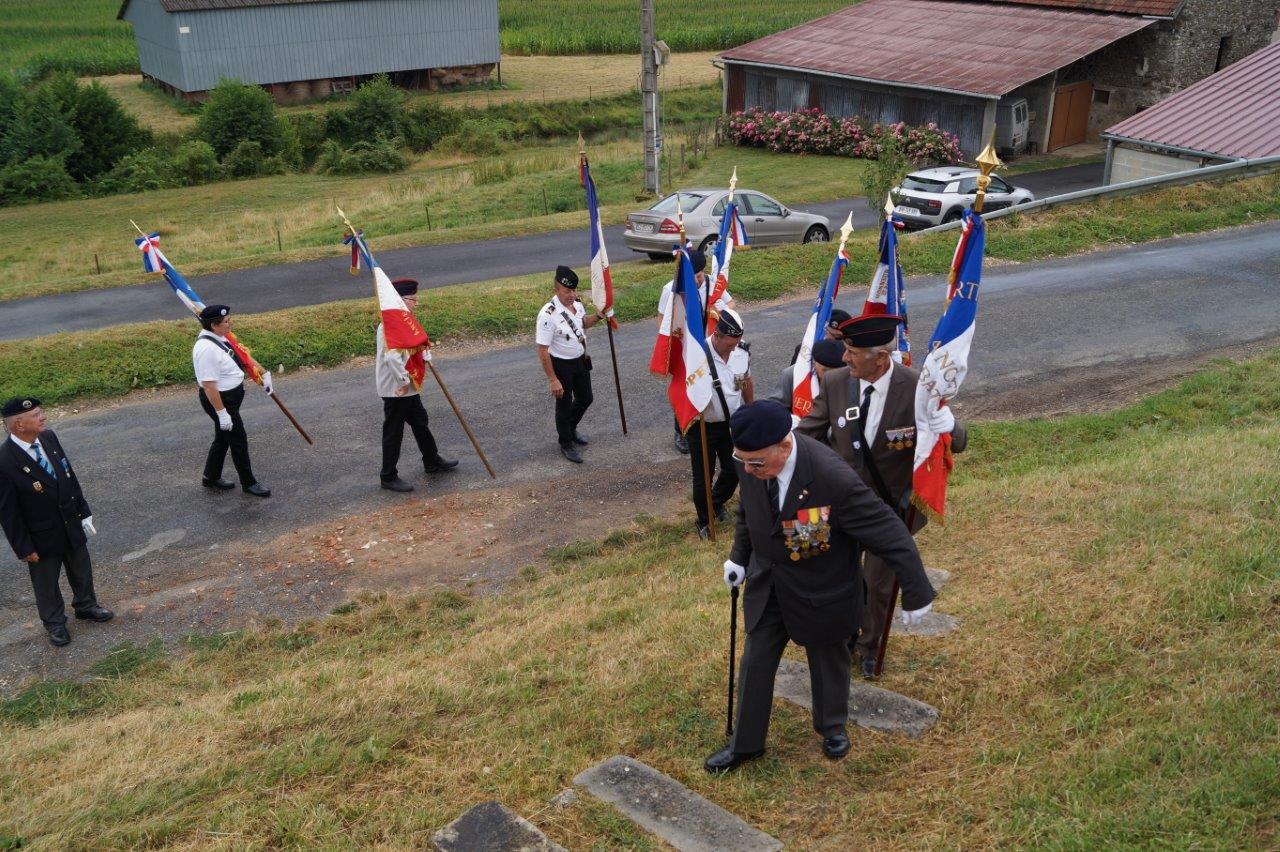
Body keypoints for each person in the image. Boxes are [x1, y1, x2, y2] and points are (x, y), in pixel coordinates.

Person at [705, 400, 934, 774]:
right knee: (755, 660)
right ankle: (745, 744)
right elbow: (750, 510)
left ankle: (832, 727)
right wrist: (740, 557)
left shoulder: (833, 478)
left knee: (828, 661)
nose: (747, 469)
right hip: (770, 583)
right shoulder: (751, 460)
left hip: (822, 588)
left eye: (756, 463)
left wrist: (916, 590)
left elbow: (890, 532)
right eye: (741, 460)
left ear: (785, 444)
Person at [797, 313, 967, 679]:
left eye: (852, 352)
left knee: (877, 583)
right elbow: (808, 434)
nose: (844, 358)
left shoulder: (916, 388)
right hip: (840, 505)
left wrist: (949, 426)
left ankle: (869, 646)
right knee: (836, 574)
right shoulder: (837, 384)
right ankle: (843, 633)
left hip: (888, 509)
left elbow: (959, 440)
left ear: (880, 356)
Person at [1, 397, 113, 647]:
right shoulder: (6, 460)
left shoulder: (49, 438)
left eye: (42, 413)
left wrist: (83, 510)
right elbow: (8, 511)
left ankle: (86, 605)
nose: (43, 418)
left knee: (81, 568)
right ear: (18, 425)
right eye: (37, 415)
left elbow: (67, 474)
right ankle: (55, 624)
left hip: (69, 521)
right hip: (40, 534)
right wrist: (23, 547)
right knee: (46, 582)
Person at [376, 278, 458, 493]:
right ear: (402, 300)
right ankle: (388, 476)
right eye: (413, 299)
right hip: (397, 388)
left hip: (409, 386)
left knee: (420, 421)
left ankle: (431, 461)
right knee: (394, 431)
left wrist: (425, 355)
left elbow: (416, 345)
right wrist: (403, 382)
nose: (416, 303)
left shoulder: (406, 321)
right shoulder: (390, 325)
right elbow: (392, 359)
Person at [658, 250, 735, 454]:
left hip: (711, 343)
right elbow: (662, 319)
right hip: (686, 347)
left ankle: (707, 422)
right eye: (691, 278)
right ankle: (680, 430)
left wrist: (720, 314)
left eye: (699, 277)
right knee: (684, 385)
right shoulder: (671, 289)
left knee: (708, 383)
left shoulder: (711, 285)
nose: (696, 281)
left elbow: (731, 304)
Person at [192, 304, 271, 497]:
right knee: (238, 440)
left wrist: (263, 373)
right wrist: (222, 414)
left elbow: (243, 356)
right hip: (221, 401)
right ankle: (249, 483)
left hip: (229, 399)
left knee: (222, 438)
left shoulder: (221, 337)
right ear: (213, 325)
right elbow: (209, 385)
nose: (230, 323)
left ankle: (210, 477)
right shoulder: (206, 349)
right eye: (226, 321)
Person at [689, 308, 753, 539]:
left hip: (731, 421)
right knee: (703, 475)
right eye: (730, 344)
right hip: (702, 425)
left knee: (735, 467)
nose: (734, 348)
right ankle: (704, 520)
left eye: (737, 343)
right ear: (717, 335)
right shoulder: (697, 355)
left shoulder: (740, 351)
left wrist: (751, 407)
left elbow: (745, 379)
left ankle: (715, 503)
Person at [536, 265, 607, 464]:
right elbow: (542, 350)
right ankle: (566, 442)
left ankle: (571, 428)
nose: (572, 294)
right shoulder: (547, 315)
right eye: (567, 291)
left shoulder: (578, 304)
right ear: (556, 290)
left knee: (586, 398)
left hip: (580, 360)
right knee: (564, 405)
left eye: (574, 290)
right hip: (561, 364)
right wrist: (553, 380)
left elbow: (583, 323)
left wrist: (600, 316)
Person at [769, 338, 846, 408]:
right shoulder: (793, 374)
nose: (829, 376)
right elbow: (775, 407)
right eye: (825, 370)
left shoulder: (852, 376)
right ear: (814, 362)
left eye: (835, 372)